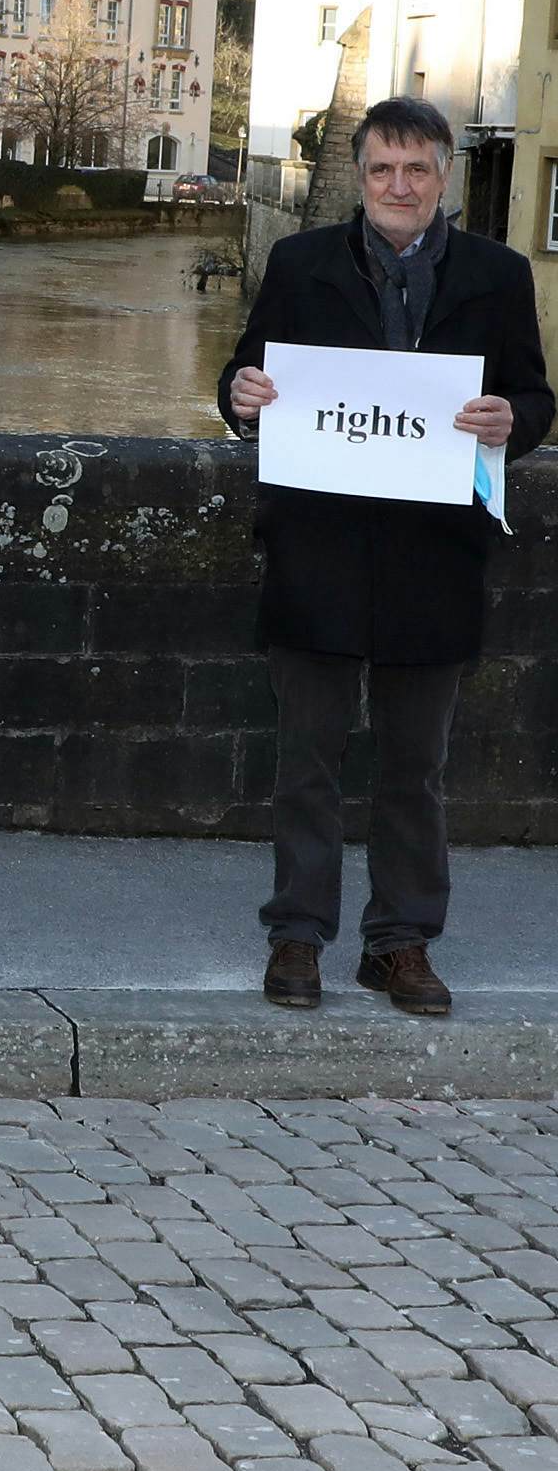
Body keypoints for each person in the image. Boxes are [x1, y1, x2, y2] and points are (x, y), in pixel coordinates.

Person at [220, 95, 549, 1016]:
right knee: (306, 758)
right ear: (361, 179)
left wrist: (511, 420)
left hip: (435, 554)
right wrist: (240, 391)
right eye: (380, 170)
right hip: (316, 546)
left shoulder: (498, 273)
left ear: (444, 176)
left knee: (416, 767)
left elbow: (532, 395)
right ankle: (298, 936)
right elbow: (245, 377)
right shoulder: (299, 262)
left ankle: (400, 943)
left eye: (416, 170)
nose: (398, 186)